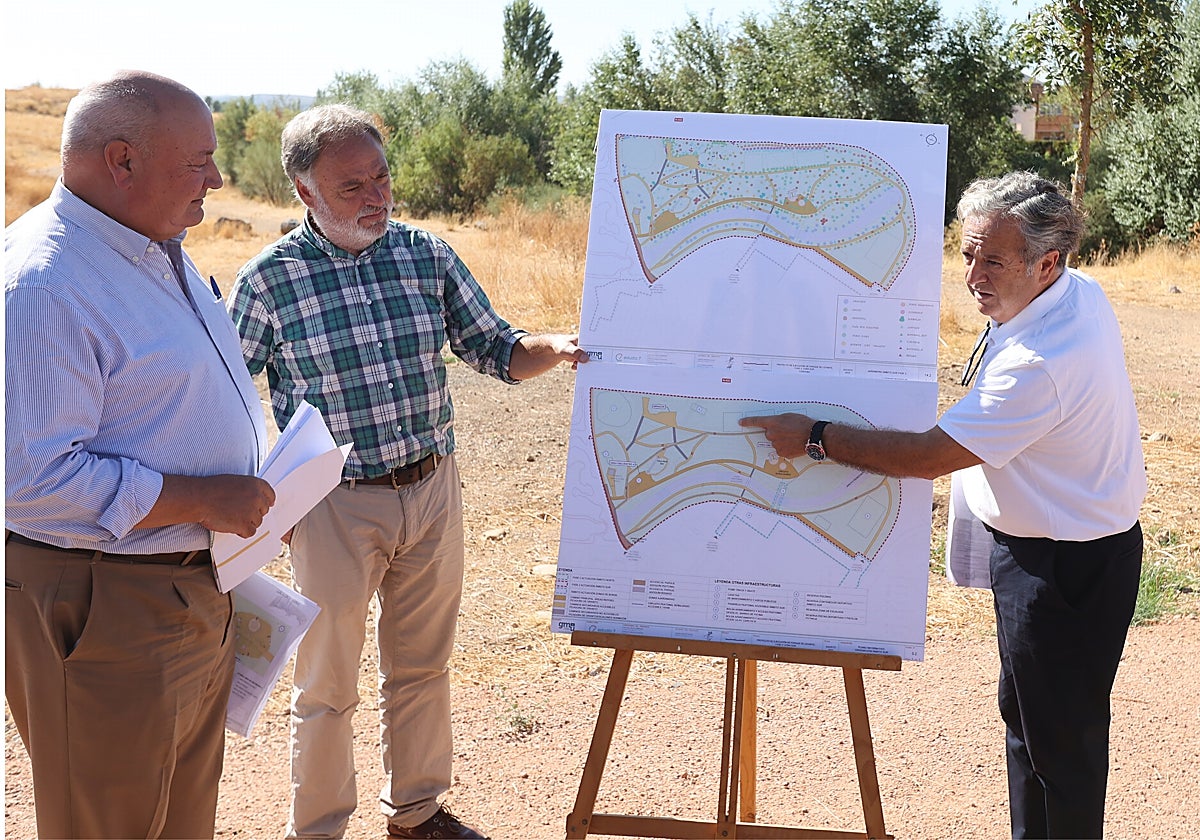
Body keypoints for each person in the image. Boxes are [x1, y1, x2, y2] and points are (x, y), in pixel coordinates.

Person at [741, 171, 1145, 840]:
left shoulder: (1040, 362)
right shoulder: (1076, 294)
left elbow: (931, 456)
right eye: (966, 252)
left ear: (1046, 262)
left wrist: (814, 439)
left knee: (1061, 752)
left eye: (992, 259)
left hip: (1065, 569)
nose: (972, 274)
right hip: (1065, 552)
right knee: (1031, 728)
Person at [227, 103, 587, 840]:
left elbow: (494, 346)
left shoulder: (426, 255)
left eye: (381, 177)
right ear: (305, 193)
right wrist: (270, 502)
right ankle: (320, 827)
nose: (376, 196)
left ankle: (416, 814)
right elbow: (230, 394)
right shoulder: (268, 283)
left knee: (422, 665)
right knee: (326, 685)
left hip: (431, 488)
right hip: (331, 507)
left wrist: (552, 346)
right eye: (352, 185)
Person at [5, 71, 277, 839]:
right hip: (109, 605)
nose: (217, 181)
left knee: (177, 822)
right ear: (120, 161)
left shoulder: (156, 245)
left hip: (185, 590)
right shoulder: (46, 285)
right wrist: (204, 500)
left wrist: (250, 501)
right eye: (199, 161)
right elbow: (32, 483)